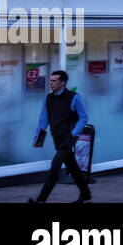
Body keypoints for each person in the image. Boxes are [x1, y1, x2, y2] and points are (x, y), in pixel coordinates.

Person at [30, 69, 91, 203]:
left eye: (54, 81)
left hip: (68, 138)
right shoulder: (49, 98)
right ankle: (85, 194)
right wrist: (38, 139)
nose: (50, 83)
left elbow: (84, 118)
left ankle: (41, 200)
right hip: (56, 137)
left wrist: (73, 133)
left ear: (62, 82)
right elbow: (43, 119)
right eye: (50, 81)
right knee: (72, 166)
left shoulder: (74, 97)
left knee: (55, 166)